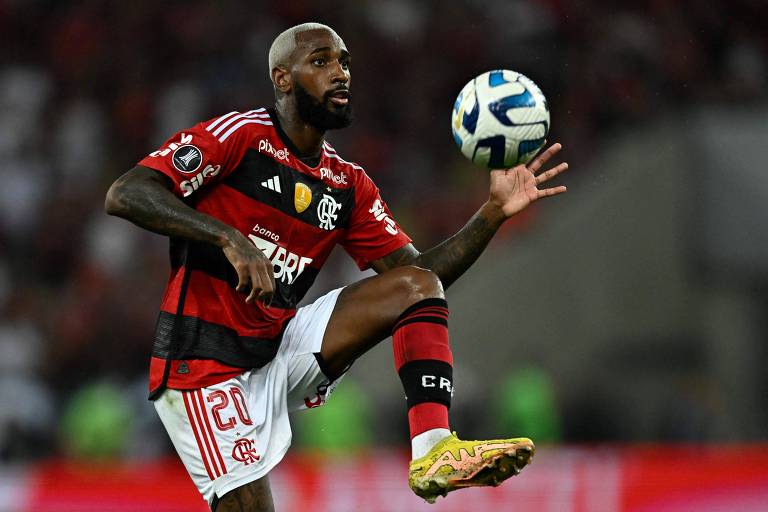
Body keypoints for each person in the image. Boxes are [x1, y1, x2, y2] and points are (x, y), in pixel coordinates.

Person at [105, 22, 568, 512]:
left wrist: (491, 214)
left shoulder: (347, 184)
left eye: (344, 62)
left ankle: (434, 451)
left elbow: (422, 281)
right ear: (283, 79)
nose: (340, 73)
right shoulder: (239, 138)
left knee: (416, 286)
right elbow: (127, 193)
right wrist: (227, 237)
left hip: (278, 347)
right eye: (321, 62)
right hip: (202, 364)